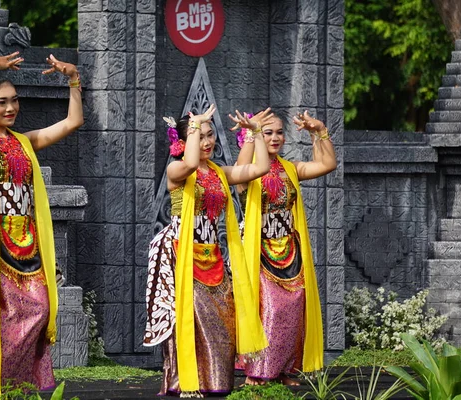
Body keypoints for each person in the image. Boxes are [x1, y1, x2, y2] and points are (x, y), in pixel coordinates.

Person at [0, 51, 83, 399]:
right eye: (1, 102)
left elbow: (72, 123)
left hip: (25, 238)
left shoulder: (25, 142)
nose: (10, 108)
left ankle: (14, 383)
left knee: (39, 309)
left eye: (14, 101)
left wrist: (73, 80)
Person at [144, 105, 273, 397]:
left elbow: (259, 169)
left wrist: (255, 134)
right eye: (199, 136)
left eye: (210, 134)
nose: (207, 141)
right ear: (184, 140)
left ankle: (215, 383)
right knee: (192, 320)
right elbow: (190, 164)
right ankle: (186, 383)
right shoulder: (176, 170)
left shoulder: (218, 173)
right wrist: (195, 124)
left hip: (212, 256)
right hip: (182, 256)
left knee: (224, 320)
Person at [231, 109, 337, 385]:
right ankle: (258, 371)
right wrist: (252, 133)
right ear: (255, 135)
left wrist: (320, 130)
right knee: (270, 310)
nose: (276, 137)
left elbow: (327, 164)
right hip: (260, 250)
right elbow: (242, 172)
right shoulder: (250, 169)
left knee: (294, 307)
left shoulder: (290, 169)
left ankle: (283, 370)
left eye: (279, 132)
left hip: (290, 249)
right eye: (269, 132)